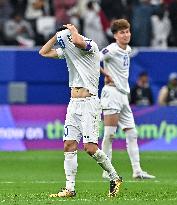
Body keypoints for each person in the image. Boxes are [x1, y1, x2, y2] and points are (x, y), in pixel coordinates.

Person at [39, 24, 122, 198]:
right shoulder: (68, 50)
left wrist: (73, 30)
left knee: (90, 148)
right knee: (68, 144)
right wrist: (56, 36)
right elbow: (43, 52)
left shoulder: (91, 46)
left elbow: (77, 41)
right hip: (73, 104)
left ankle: (115, 177)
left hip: (89, 103)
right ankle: (70, 188)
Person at [100, 19, 155, 180]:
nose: (126, 35)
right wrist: (106, 74)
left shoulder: (128, 49)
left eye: (127, 31)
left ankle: (137, 171)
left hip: (124, 95)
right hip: (111, 94)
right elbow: (93, 60)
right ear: (115, 35)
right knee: (110, 134)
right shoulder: (110, 49)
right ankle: (106, 169)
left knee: (132, 133)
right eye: (122, 32)